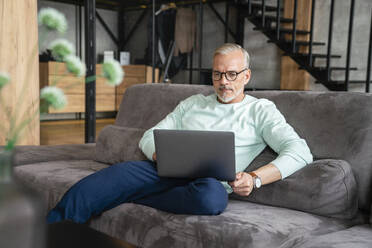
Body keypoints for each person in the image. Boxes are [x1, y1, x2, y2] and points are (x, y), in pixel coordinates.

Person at [47, 43, 313, 224]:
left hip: (208, 183)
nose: (223, 82)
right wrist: (159, 155)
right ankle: (53, 229)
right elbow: (151, 134)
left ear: (246, 76)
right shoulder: (194, 102)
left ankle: (132, 194)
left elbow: (300, 151)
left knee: (210, 199)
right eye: (218, 74)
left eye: (232, 74)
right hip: (163, 169)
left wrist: (255, 179)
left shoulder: (261, 110)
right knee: (106, 180)